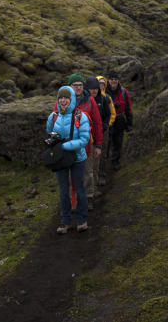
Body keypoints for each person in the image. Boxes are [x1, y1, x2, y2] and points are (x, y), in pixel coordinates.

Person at [52, 73, 103, 210]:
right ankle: (72, 200)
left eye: (80, 85)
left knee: (87, 172)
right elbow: (54, 122)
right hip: (67, 144)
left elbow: (97, 123)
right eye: (75, 85)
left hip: (86, 144)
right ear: (70, 86)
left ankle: (87, 199)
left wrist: (98, 144)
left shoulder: (90, 100)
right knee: (69, 173)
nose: (78, 88)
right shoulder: (62, 100)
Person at [46, 85, 90, 233]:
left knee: (79, 189)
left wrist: (64, 146)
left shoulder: (80, 116)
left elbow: (84, 140)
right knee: (64, 190)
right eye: (61, 98)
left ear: (71, 99)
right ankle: (65, 222)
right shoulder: (53, 116)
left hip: (78, 158)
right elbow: (49, 132)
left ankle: (82, 220)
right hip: (61, 160)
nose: (63, 100)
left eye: (66, 98)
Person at [105, 71, 133, 171]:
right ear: (109, 80)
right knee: (106, 144)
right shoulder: (104, 91)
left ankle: (115, 161)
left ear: (118, 80)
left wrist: (129, 123)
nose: (114, 81)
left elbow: (128, 108)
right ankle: (103, 165)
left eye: (115, 79)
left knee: (118, 143)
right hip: (107, 122)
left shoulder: (123, 92)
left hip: (120, 120)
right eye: (112, 79)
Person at [94, 75, 116, 188]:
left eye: (103, 84)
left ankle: (101, 175)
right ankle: (93, 178)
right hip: (92, 131)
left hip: (104, 130)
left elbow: (112, 114)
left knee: (102, 154)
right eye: (99, 83)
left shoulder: (107, 98)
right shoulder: (91, 97)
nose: (101, 85)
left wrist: (106, 125)